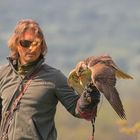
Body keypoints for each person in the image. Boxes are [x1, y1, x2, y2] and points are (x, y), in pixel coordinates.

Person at [0, 19, 100, 140]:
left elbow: (77, 110)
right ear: (16, 44)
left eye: (36, 43)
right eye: (26, 43)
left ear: (42, 46)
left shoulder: (54, 77)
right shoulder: (3, 74)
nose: (31, 48)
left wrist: (89, 96)